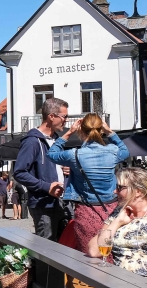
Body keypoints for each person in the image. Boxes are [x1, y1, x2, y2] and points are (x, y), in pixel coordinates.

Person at [47, 114, 130, 253]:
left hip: (86, 209)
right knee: (110, 249)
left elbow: (51, 154)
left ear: (81, 130)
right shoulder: (113, 151)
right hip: (111, 208)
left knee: (88, 252)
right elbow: (125, 151)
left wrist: (69, 132)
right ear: (101, 129)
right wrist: (109, 132)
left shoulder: (74, 155)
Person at [14, 98, 68, 241]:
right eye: (64, 116)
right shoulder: (32, 141)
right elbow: (19, 173)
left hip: (61, 202)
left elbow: (53, 168)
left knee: (64, 246)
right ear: (51, 116)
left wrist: (67, 170)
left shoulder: (56, 140)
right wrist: (46, 187)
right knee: (46, 248)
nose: (66, 120)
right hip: (43, 204)